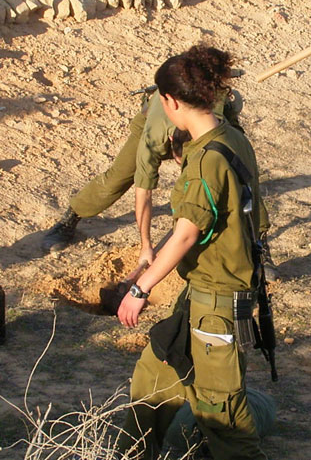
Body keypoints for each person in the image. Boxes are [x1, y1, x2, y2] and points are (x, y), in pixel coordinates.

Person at [116, 45, 269, 460]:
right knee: (154, 373)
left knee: (223, 416)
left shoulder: (205, 160)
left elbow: (186, 234)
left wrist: (141, 286)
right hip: (200, 295)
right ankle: (133, 453)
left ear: (171, 101)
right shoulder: (230, 137)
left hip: (217, 304)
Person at [40, 78, 243, 263]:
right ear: (171, 141)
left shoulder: (215, 129)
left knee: (239, 179)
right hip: (153, 121)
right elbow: (143, 192)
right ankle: (73, 215)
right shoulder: (154, 136)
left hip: (209, 125)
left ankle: (258, 246)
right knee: (118, 178)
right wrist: (146, 245)